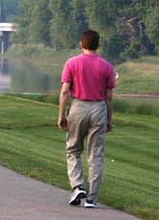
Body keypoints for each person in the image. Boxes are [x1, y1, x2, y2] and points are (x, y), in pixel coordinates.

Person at [58, 30, 116, 209]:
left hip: (78, 107)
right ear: (98, 45)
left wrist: (62, 115)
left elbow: (65, 91)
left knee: (73, 149)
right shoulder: (106, 66)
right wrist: (108, 119)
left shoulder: (72, 63)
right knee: (95, 154)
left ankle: (77, 186)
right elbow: (109, 96)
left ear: (81, 44)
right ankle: (91, 198)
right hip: (99, 108)